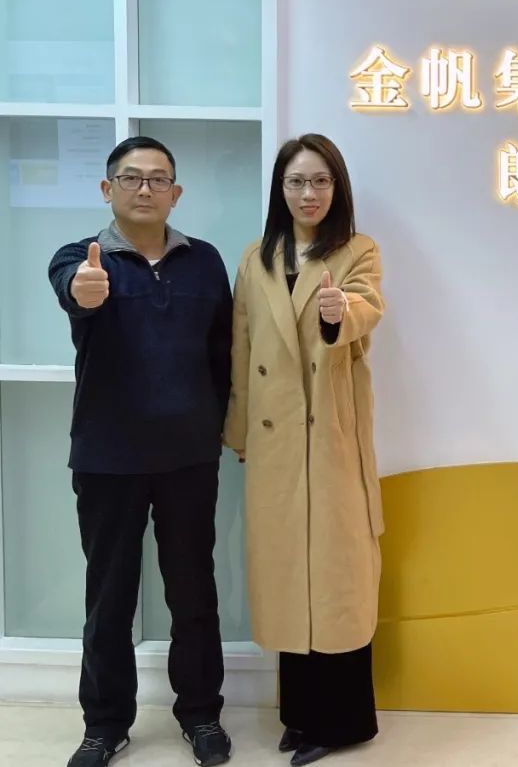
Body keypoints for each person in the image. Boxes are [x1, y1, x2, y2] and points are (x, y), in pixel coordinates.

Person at [48, 137, 234, 767]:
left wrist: (223, 427)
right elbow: (73, 288)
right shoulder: (81, 258)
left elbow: (222, 354)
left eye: (159, 179)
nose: (145, 188)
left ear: (176, 193)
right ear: (109, 189)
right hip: (107, 458)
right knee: (110, 598)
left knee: (194, 592)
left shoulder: (205, 261)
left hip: (189, 457)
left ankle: (201, 714)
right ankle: (104, 725)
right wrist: (84, 289)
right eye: (131, 178)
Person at [224, 134, 385, 766]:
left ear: (337, 187)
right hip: (275, 442)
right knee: (290, 573)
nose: (308, 193)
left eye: (320, 181)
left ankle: (343, 722)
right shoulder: (256, 256)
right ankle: (299, 715)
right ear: (280, 190)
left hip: (330, 435)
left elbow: (368, 309)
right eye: (296, 182)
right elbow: (241, 348)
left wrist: (338, 312)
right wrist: (240, 432)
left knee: (336, 577)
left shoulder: (357, 250)